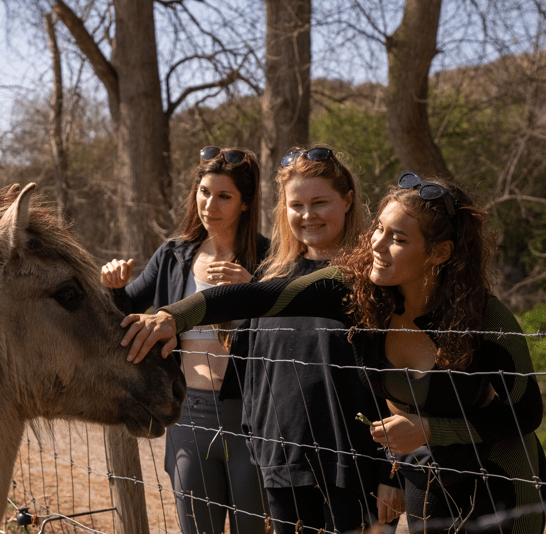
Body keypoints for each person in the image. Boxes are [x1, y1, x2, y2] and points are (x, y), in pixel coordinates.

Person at [120, 172, 546, 534]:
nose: (377, 245)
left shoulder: (484, 315)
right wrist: (172, 317)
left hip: (501, 478)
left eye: (397, 238)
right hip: (426, 474)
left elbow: (526, 414)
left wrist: (433, 430)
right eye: (378, 228)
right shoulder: (355, 288)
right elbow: (257, 296)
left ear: (438, 252)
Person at [100, 146, 271, 534]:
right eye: (204, 192)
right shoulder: (173, 254)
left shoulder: (270, 257)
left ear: (245, 203)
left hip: (252, 416)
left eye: (224, 196)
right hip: (187, 415)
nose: (210, 204)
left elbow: (294, 331)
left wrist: (256, 290)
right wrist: (114, 286)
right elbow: (125, 307)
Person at [230, 146, 400, 534]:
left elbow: (401, 383)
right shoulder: (271, 281)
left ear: (347, 200)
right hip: (283, 470)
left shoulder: (375, 282)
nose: (308, 216)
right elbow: (254, 380)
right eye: (297, 205)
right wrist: (261, 451)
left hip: (357, 473)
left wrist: (393, 471)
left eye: (320, 202)